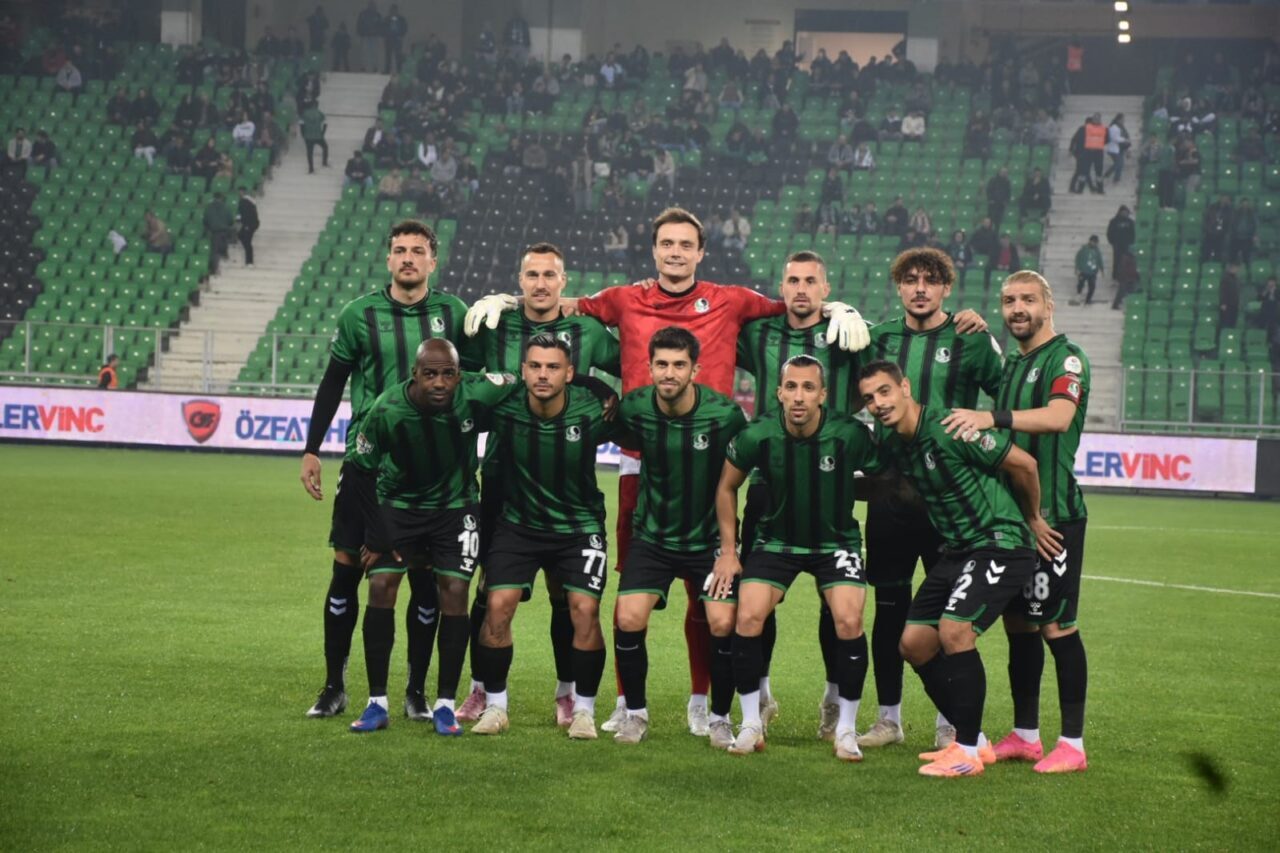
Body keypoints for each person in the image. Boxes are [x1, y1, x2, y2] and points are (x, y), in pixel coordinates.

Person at [464, 208, 870, 738]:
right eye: (666, 244)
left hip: (711, 462)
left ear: (701, 252)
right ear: (654, 250)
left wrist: (837, 306)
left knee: (712, 599)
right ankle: (625, 704)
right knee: (629, 593)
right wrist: (510, 300)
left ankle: (704, 703)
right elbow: (562, 302)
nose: (675, 252)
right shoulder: (622, 298)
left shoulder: (731, 299)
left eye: (685, 244)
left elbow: (793, 305)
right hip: (642, 457)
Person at [299, 220, 477, 725]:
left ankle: (416, 692)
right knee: (347, 570)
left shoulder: (454, 313)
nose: (408, 258)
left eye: (418, 251)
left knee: (425, 582)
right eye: (399, 250)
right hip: (367, 465)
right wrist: (312, 449)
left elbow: (479, 377)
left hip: (433, 471)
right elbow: (333, 382)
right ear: (388, 259)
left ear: (433, 261)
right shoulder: (359, 315)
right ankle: (334, 686)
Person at [858, 360, 1058, 777]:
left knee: (955, 631)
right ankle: (976, 740)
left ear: (904, 387)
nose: (878, 403)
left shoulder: (951, 428)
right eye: (869, 398)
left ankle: (964, 751)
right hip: (957, 552)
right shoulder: (895, 442)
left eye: (884, 391)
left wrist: (1033, 519)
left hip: (999, 543)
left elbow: (1024, 464)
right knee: (914, 644)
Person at [457, 242, 621, 726]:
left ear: (563, 281)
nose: (541, 283)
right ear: (519, 281)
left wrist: (600, 387)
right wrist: (477, 313)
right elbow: (458, 372)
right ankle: (481, 688)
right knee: (489, 591)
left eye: (550, 275)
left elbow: (634, 364)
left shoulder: (588, 331)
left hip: (568, 482)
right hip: (504, 482)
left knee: (564, 595)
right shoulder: (496, 324)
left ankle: (568, 692)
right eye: (532, 275)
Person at [939, 270, 1092, 774]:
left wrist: (992, 418)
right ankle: (1026, 735)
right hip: (1016, 519)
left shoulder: (1066, 358)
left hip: (1054, 518)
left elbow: (1059, 417)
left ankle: (1072, 744)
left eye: (1027, 299)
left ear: (1048, 304)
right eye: (1008, 301)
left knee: (1058, 627)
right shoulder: (1011, 366)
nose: (1017, 308)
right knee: (1020, 625)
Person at [851, 248, 1004, 752]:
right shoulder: (877, 338)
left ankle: (951, 723)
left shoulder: (970, 338)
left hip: (950, 501)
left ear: (946, 288)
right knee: (889, 610)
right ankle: (888, 719)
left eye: (931, 280)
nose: (920, 288)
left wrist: (987, 445)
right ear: (898, 286)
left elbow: (1005, 400)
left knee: (949, 616)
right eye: (910, 279)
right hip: (890, 494)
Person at [348, 339, 519, 734]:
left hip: (456, 507)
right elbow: (360, 471)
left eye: (447, 374)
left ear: (460, 375)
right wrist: (376, 533)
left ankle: (444, 705)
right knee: (381, 586)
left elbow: (525, 379)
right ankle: (376, 703)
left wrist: (595, 386)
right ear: (415, 374)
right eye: (430, 374)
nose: (439, 382)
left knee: (455, 592)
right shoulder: (388, 409)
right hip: (399, 504)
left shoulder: (476, 390)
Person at [717, 354, 880, 759]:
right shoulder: (759, 433)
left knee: (849, 620)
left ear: (823, 394)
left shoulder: (850, 434)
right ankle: (751, 723)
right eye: (791, 387)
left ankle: (846, 729)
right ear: (779, 392)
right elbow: (726, 487)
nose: (799, 396)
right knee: (748, 616)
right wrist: (729, 551)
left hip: (835, 543)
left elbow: (884, 477)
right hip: (777, 542)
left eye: (808, 387)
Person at [609, 326, 748, 745]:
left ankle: (719, 718)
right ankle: (635, 714)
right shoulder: (634, 407)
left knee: (722, 622)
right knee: (628, 617)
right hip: (652, 538)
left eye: (679, 365)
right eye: (662, 364)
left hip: (707, 541)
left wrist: (730, 549)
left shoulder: (724, 416)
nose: (670, 373)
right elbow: (616, 430)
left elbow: (734, 481)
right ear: (649, 367)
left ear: (695, 370)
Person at [202, 193, 234, 267]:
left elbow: (205, 220)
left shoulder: (209, 207)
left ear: (214, 198)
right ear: (221, 198)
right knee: (223, 243)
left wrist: (208, 227)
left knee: (214, 251)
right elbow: (230, 220)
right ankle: (225, 254)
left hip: (214, 231)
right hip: (224, 230)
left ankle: (214, 268)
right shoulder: (226, 207)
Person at [1106, 206, 1135, 281]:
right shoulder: (1114, 221)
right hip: (1117, 244)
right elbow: (1109, 232)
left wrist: (1131, 242)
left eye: (1126, 212)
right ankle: (1115, 276)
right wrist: (1112, 241)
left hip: (1127, 245)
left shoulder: (1130, 222)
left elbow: (1133, 233)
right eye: (1123, 212)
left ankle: (1125, 276)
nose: (1125, 214)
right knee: (1117, 260)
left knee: (1126, 261)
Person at [1073, 236, 1103, 306]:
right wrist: (1077, 268)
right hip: (1083, 271)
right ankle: (1078, 294)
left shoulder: (1097, 251)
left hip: (1092, 272)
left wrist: (1102, 269)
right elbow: (1078, 259)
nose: (1094, 244)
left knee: (1092, 287)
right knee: (1081, 284)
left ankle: (1088, 300)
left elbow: (1100, 260)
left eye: (1095, 242)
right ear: (1090, 241)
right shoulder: (1083, 249)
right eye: (1093, 242)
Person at [301, 103, 328, 173]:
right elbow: (325, 123)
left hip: (308, 136)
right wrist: (323, 133)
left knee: (309, 152)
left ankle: (311, 168)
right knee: (325, 147)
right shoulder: (320, 113)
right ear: (316, 106)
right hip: (318, 135)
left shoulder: (304, 113)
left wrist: (303, 134)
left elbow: (301, 124)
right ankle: (324, 162)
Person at [356, 1, 383, 72]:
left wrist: (377, 32)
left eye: (373, 5)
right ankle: (363, 66)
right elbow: (359, 24)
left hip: (374, 36)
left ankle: (375, 67)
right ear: (368, 5)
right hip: (365, 36)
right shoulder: (363, 14)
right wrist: (361, 32)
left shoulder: (377, 15)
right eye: (371, 5)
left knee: (374, 52)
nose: (372, 6)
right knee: (364, 52)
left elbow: (380, 26)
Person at [1103, 114, 1130, 184]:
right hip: (1114, 149)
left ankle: (1112, 176)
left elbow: (1126, 135)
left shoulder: (1122, 127)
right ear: (1118, 120)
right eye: (1122, 119)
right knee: (1119, 163)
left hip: (1120, 148)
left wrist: (1127, 147)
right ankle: (1113, 177)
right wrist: (1124, 140)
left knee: (1119, 164)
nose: (1123, 121)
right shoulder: (1114, 127)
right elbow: (1114, 138)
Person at [237, 188, 259, 268]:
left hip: (249, 224)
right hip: (252, 224)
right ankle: (249, 261)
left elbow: (244, 214)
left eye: (240, 192)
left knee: (247, 242)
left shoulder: (244, 201)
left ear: (242, 192)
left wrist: (245, 224)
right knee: (242, 237)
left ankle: (250, 262)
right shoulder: (251, 201)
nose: (239, 194)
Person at [383, 4, 406, 74]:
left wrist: (400, 35)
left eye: (395, 10)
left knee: (398, 56)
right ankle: (387, 71)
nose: (394, 11)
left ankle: (399, 70)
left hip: (397, 39)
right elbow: (383, 28)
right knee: (388, 56)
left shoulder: (401, 19)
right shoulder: (387, 19)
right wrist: (387, 35)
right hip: (389, 40)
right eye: (392, 10)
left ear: (397, 10)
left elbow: (404, 28)